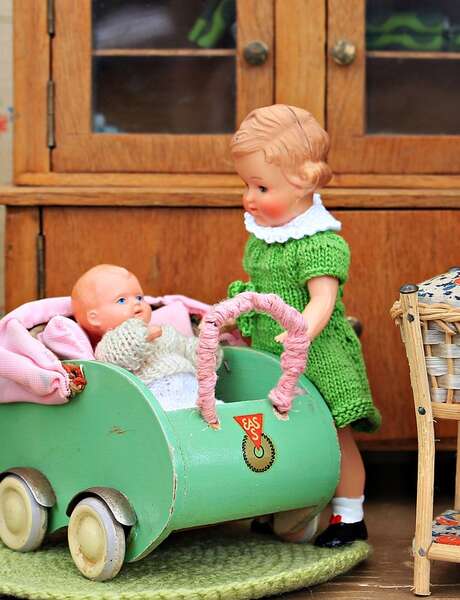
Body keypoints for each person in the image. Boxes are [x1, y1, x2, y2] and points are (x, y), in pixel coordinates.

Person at [228, 104, 381, 548]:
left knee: (335, 434)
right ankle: (287, 505)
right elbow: (258, 288)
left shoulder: (320, 243)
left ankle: (349, 514)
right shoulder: (262, 238)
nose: (249, 198)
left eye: (261, 186)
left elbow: (323, 299)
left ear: (303, 184)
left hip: (319, 358)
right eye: (246, 185)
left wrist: (301, 329)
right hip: (271, 356)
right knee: (279, 432)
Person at [72, 264, 221, 411]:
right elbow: (119, 354)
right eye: (122, 300)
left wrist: (207, 347)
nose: (137, 303)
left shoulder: (167, 331)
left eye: (139, 297)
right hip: (155, 397)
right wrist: (141, 336)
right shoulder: (108, 343)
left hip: (193, 390)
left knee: (222, 413)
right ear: (94, 318)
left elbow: (189, 351)